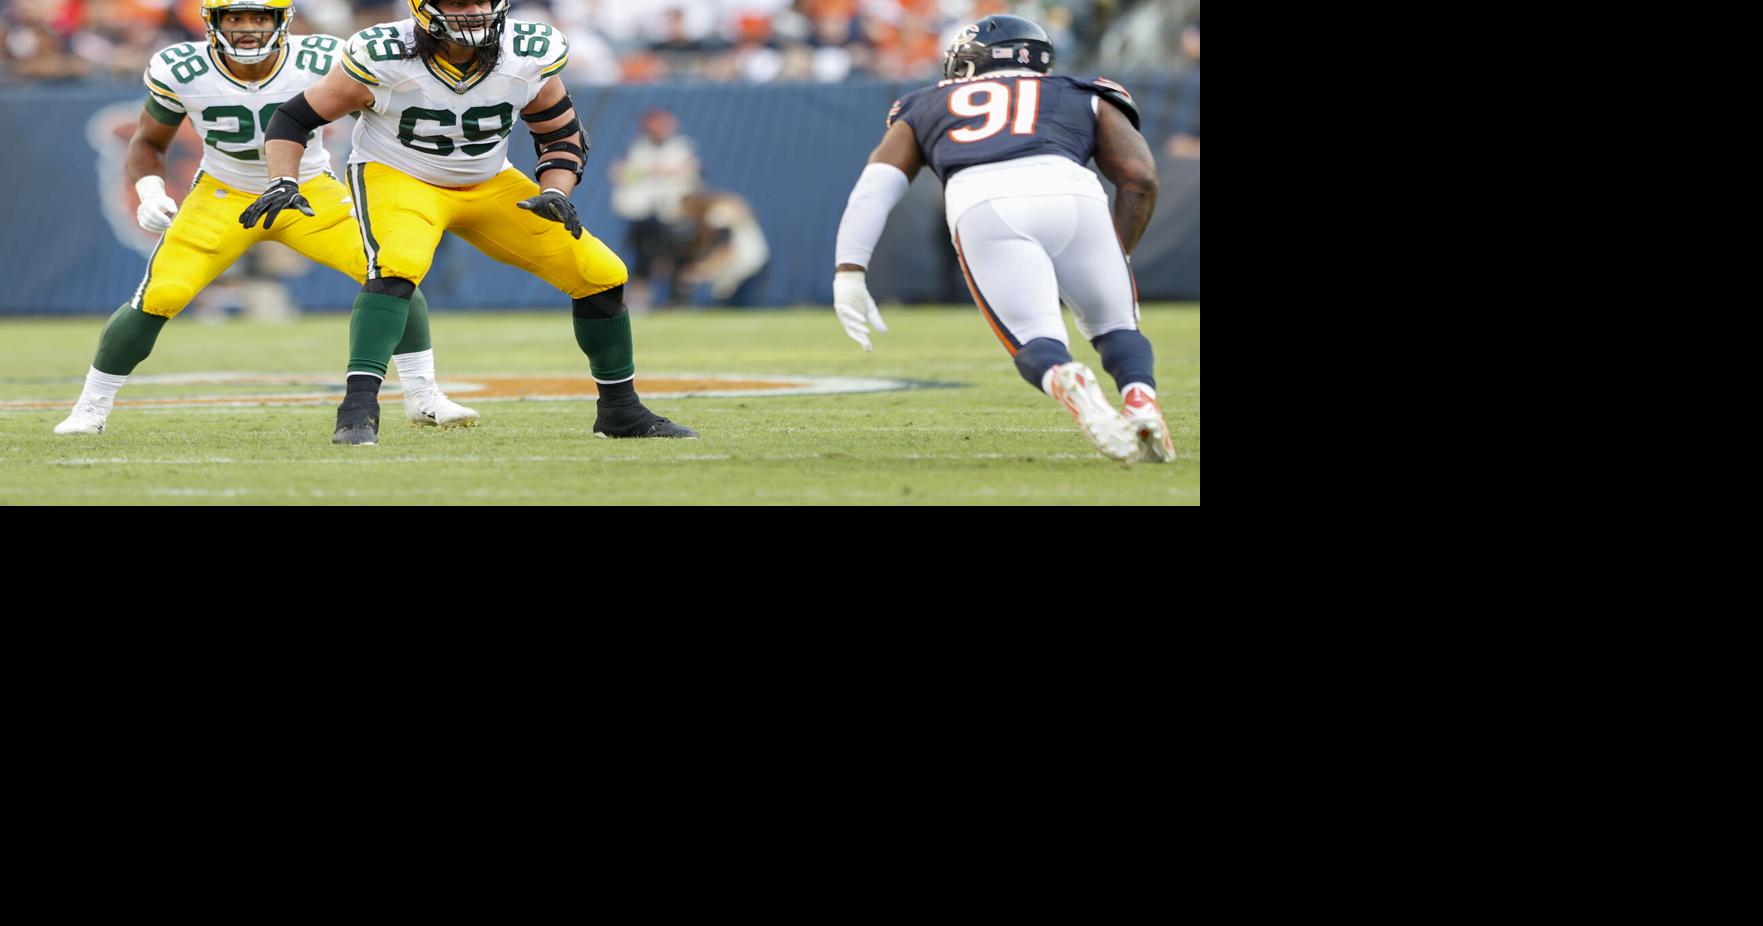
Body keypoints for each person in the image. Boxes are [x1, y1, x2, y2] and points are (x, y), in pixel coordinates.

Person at [241, 0, 695, 445]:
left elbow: (558, 132)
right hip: (399, 174)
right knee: (395, 266)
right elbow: (293, 117)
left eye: (481, 1)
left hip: (487, 179)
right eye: (459, 2)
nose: (474, 12)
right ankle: (358, 407)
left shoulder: (526, 52)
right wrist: (283, 178)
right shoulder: (382, 56)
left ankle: (620, 410)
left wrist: (555, 191)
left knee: (600, 273)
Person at [54, 0, 476, 435]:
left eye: (260, 17)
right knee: (160, 295)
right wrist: (149, 190)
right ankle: (91, 407)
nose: (247, 28)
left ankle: (423, 396)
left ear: (282, 21)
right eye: (234, 17)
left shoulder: (321, 59)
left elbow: (381, 117)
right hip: (224, 194)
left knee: (390, 271)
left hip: (308, 191)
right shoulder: (182, 67)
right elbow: (148, 143)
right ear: (213, 23)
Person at [830, 14, 1174, 464]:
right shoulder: (1084, 92)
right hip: (1075, 196)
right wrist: (1117, 253)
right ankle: (1139, 398)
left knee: (1035, 339)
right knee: (1117, 326)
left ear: (973, 60)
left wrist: (849, 271)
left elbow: (874, 190)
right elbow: (1139, 179)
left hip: (984, 203)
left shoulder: (923, 103)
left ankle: (1065, 376)